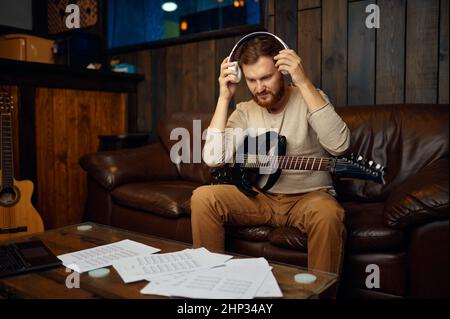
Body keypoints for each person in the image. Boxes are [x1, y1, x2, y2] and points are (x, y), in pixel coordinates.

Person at [190, 34, 351, 276]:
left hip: (308, 198)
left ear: (284, 70)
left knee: (328, 214)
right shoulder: (245, 110)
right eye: (252, 80)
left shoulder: (309, 96)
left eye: (266, 77)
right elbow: (213, 157)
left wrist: (304, 82)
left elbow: (340, 146)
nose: (259, 88)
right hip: (259, 198)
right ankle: (210, 287)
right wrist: (224, 97)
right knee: (203, 198)